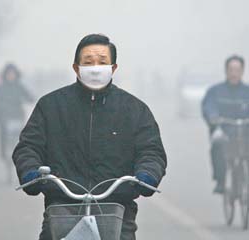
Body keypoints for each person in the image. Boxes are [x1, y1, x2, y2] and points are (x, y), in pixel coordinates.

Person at [12, 34, 167, 240]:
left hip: (116, 210)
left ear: (113, 68)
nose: (95, 68)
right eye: (88, 62)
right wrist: (31, 171)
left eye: (102, 62)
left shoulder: (134, 109)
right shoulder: (51, 106)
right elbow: (28, 147)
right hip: (62, 209)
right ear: (76, 68)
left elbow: (151, 150)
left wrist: (147, 173)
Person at [202, 55, 249, 194]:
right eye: (231, 69)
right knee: (218, 145)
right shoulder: (215, 91)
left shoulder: (247, 92)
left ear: (242, 71)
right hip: (224, 131)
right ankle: (221, 181)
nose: (234, 73)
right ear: (226, 71)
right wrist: (213, 117)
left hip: (245, 132)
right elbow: (208, 106)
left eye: (237, 69)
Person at [0, 63, 33, 175]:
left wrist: (28, 99)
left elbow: (30, 97)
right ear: (5, 75)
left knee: (20, 140)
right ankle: (5, 157)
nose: (11, 76)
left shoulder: (19, 86)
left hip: (18, 117)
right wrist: (0, 106)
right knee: (4, 140)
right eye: (9, 74)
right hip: (4, 119)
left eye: (13, 74)